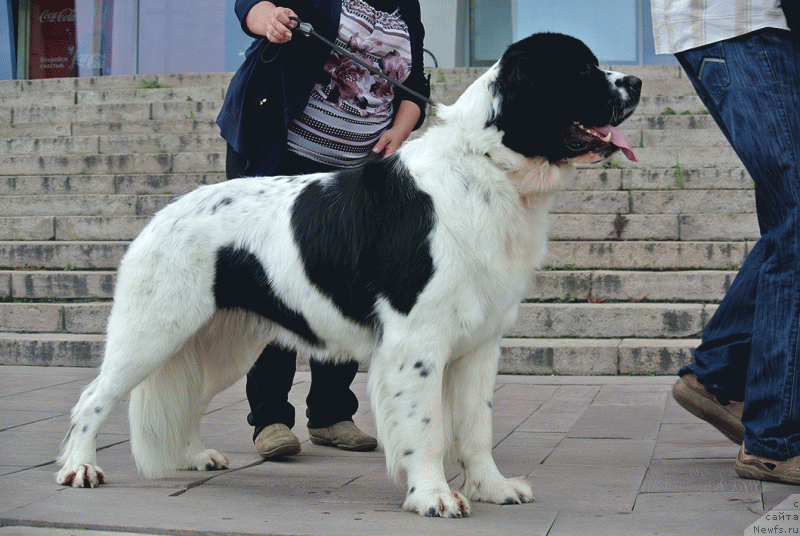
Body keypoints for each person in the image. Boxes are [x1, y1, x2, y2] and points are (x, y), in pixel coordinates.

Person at [216, 0, 429, 458]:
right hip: (282, 156)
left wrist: (400, 130)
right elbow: (249, 6)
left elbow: (414, 85)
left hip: (356, 173)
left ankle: (332, 414)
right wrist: (266, 18)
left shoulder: (406, 5)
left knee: (352, 288)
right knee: (278, 285)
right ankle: (270, 418)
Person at [650, 0, 800, 484]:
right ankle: (774, 441)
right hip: (744, 22)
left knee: (791, 219)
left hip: (745, 25)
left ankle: (720, 376)